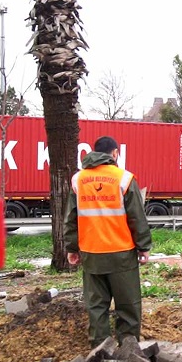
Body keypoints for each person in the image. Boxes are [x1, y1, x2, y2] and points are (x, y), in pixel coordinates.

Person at [64, 136, 152, 347]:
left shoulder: (78, 180)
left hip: (92, 254)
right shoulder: (124, 179)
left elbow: (71, 218)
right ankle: (128, 350)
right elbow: (136, 217)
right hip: (121, 254)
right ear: (114, 154)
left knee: (96, 306)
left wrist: (72, 248)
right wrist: (144, 246)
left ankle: (101, 352)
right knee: (128, 305)